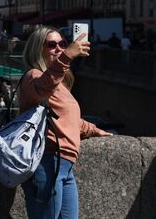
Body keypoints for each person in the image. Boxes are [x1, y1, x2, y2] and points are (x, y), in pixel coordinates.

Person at [19, 26, 112, 218]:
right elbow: (43, 87)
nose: (59, 48)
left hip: (65, 165)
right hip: (47, 161)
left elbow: (70, 119)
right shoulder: (33, 76)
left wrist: (95, 130)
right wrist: (67, 56)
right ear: (38, 49)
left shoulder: (59, 85)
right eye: (52, 45)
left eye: (62, 44)